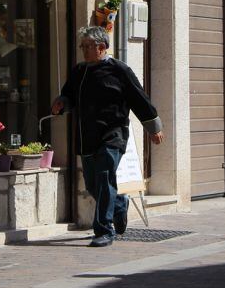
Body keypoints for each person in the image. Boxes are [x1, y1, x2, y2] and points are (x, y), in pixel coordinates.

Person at [52, 26, 164, 247]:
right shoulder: (79, 71)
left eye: (87, 46)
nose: (83, 51)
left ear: (101, 47)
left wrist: (154, 127)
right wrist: (61, 103)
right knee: (94, 185)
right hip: (86, 135)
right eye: (82, 46)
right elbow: (69, 96)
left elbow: (139, 99)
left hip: (113, 134)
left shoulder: (120, 70)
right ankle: (120, 204)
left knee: (104, 178)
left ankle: (104, 230)